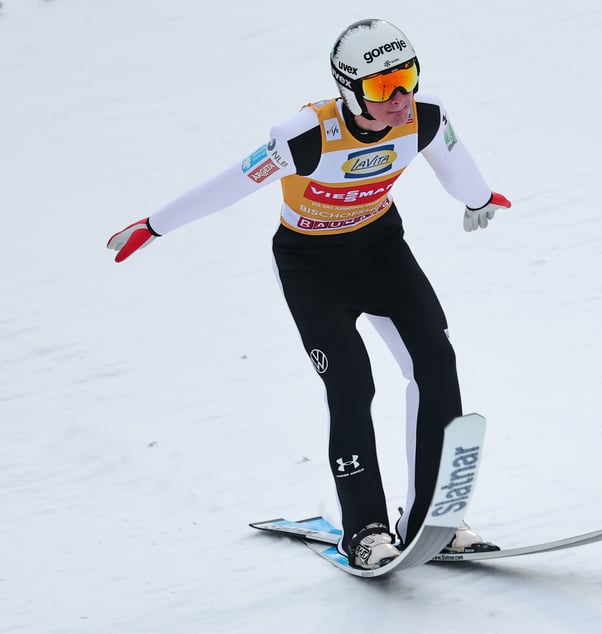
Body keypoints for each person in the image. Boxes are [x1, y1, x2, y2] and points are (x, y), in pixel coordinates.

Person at [107, 19, 510, 570]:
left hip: (380, 251)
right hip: (310, 266)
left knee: (436, 361)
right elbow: (228, 186)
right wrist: (153, 225)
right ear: (348, 87)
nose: (399, 98)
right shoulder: (303, 136)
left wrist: (478, 198)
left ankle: (431, 522)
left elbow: (453, 160)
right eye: (380, 86)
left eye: (407, 78)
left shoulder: (426, 116)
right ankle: (364, 530)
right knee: (350, 382)